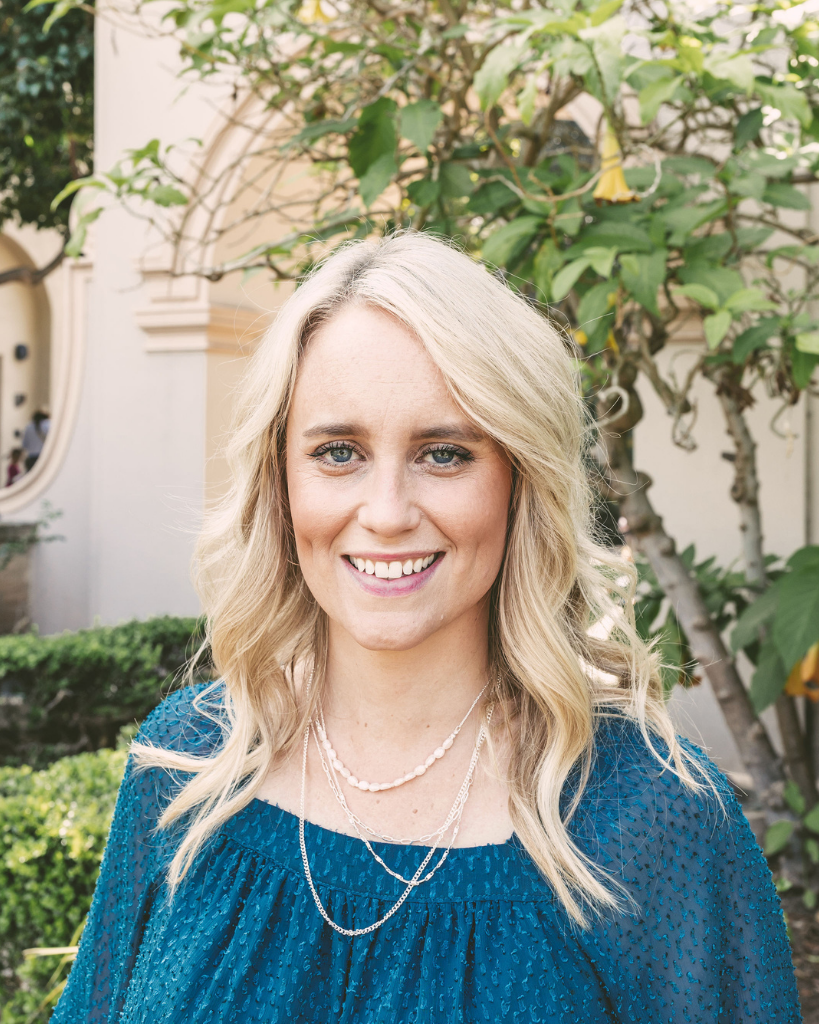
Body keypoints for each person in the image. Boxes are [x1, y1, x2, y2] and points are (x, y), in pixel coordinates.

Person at [52, 234, 800, 1023]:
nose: (385, 512)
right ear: (280, 480)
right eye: (338, 452)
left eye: (443, 454)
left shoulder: (655, 822)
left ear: (520, 481)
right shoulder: (188, 768)